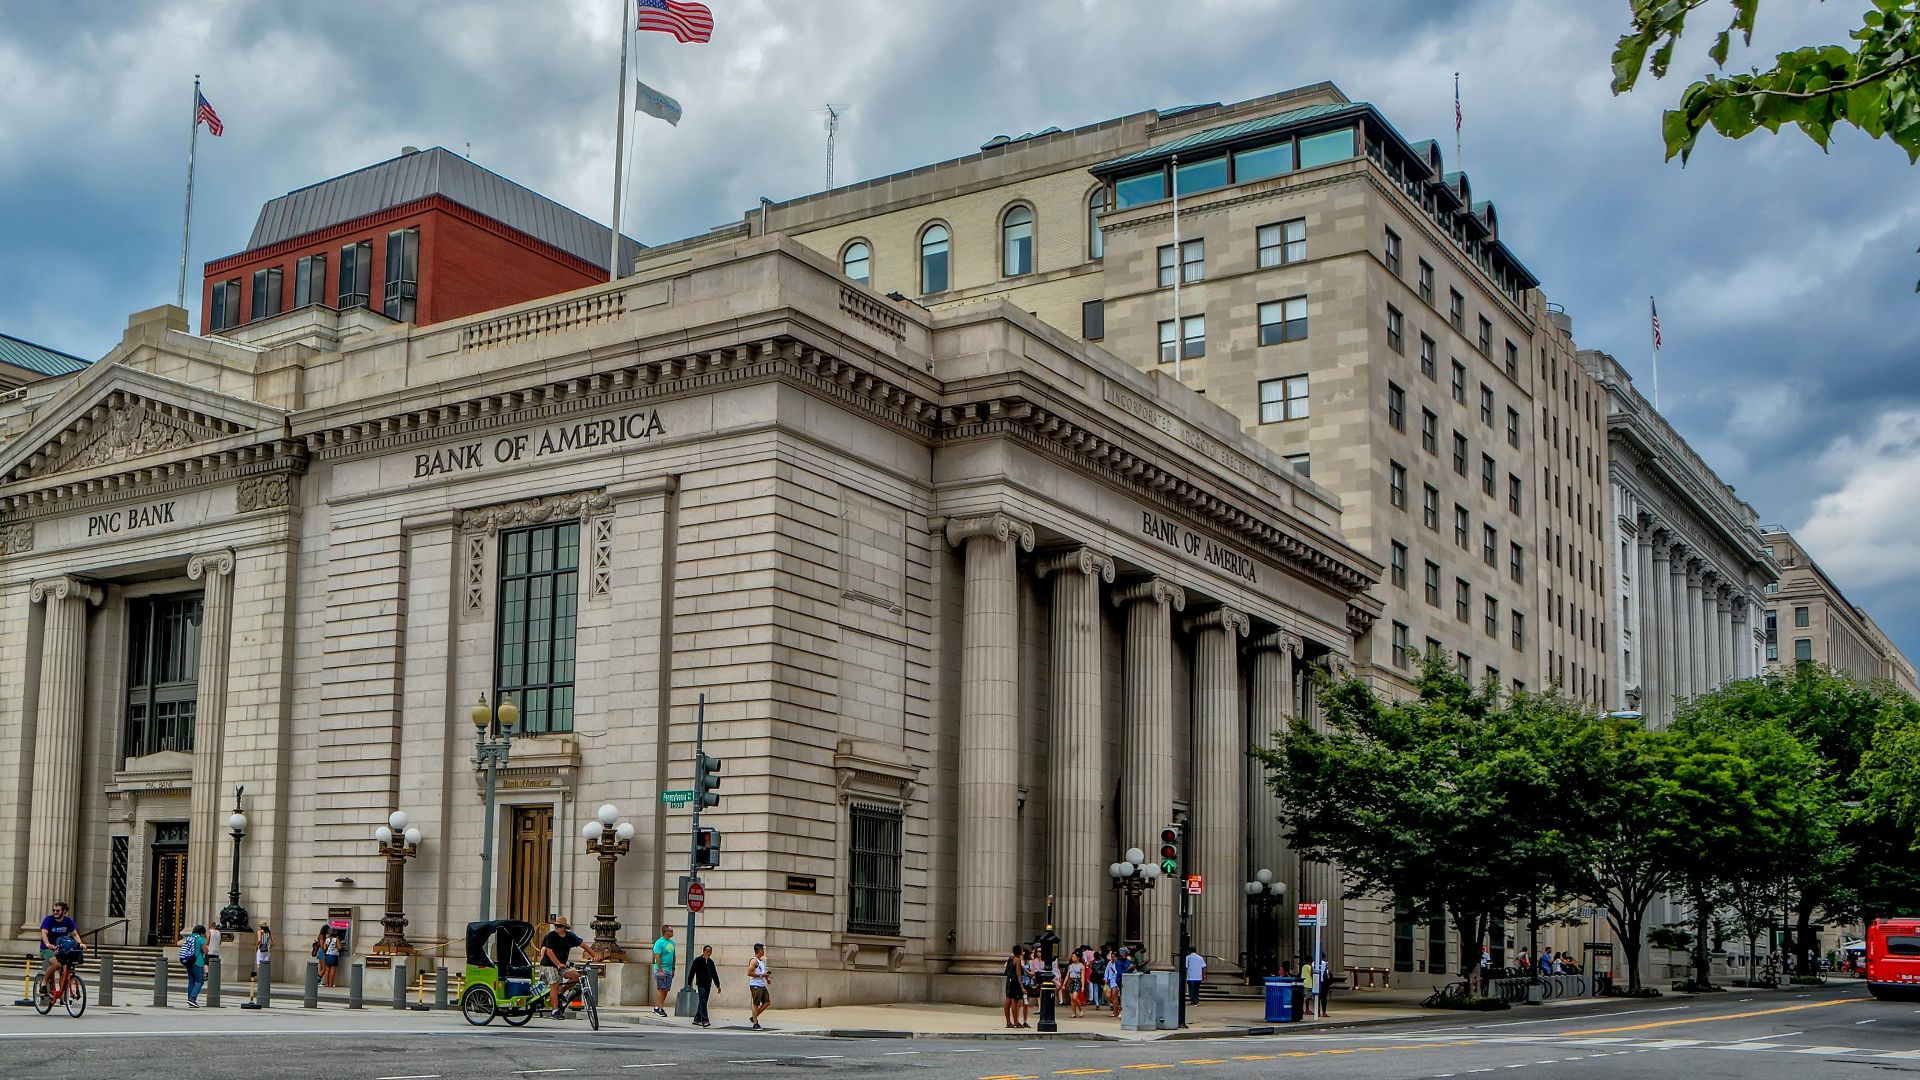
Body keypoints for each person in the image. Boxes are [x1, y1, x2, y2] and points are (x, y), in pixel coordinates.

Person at [539, 916, 599, 1020]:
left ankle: (561, 991)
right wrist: (558, 964)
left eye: (559, 926)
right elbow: (549, 952)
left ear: (564, 927)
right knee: (554, 984)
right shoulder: (551, 936)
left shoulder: (570, 936)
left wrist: (594, 955)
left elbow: (583, 945)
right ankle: (555, 1010)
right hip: (549, 964)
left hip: (562, 964)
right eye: (556, 926)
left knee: (577, 976)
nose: (557, 928)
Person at [38, 901, 79, 1004]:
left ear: (64, 911)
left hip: (61, 949)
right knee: (56, 964)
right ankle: (44, 983)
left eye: (58, 910)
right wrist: (47, 944)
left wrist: (80, 943)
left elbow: (75, 934)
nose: (55, 912)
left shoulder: (68, 921)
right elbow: (44, 933)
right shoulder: (48, 920)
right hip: (47, 949)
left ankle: (62, 995)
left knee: (65, 970)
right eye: (54, 910)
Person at [688, 944, 721, 1027]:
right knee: (703, 1001)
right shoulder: (698, 960)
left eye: (710, 951)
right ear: (704, 951)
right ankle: (705, 1020)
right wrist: (689, 982)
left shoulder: (711, 962)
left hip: (708, 984)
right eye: (707, 951)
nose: (709, 953)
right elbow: (692, 971)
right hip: (701, 984)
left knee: (703, 1002)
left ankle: (696, 1019)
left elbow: (714, 974)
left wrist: (718, 985)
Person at [650, 925, 676, 1017]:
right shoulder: (659, 942)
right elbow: (657, 956)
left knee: (666, 989)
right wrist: (660, 970)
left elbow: (673, 957)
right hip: (660, 969)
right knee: (661, 988)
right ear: (666, 932)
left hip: (669, 969)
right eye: (671, 931)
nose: (673, 932)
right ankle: (660, 1008)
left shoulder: (672, 943)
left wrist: (673, 968)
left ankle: (657, 1006)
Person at [747, 942, 772, 1030]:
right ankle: (755, 1023)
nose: (763, 951)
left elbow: (762, 973)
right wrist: (762, 975)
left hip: (761, 985)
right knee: (756, 1004)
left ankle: (753, 1017)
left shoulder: (761, 962)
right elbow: (749, 973)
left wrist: (767, 978)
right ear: (759, 950)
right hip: (755, 985)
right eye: (762, 949)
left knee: (767, 1002)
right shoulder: (754, 961)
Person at [183, 924, 209, 1007]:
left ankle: (190, 999)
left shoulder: (189, 938)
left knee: (191, 981)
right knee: (200, 981)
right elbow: (205, 951)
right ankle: (192, 998)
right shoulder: (200, 939)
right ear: (201, 933)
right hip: (197, 961)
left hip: (189, 961)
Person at [1003, 945, 1025, 1029]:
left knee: (1007, 1001)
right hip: (1015, 982)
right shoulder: (1017, 960)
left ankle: (1008, 1022)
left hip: (1009, 980)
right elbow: (1018, 975)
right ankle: (1016, 1022)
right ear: (1019, 952)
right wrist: (1022, 987)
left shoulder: (1010, 958)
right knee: (1015, 1002)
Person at [1065, 951, 1086, 1019]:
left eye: (1074, 956)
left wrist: (1082, 986)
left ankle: (1080, 1009)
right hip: (1071, 981)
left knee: (1075, 997)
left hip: (1077, 981)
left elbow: (1082, 976)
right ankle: (1073, 1013)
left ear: (1078, 957)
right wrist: (1064, 984)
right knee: (1072, 999)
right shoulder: (1070, 966)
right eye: (1072, 956)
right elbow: (1067, 975)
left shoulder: (1081, 966)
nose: (1072, 958)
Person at [1311, 952, 1330, 1019]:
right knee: (1324, 998)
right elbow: (1327, 973)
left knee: (1317, 997)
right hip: (1323, 982)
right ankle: (1324, 1012)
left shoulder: (1313, 963)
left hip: (1316, 982)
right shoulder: (1325, 963)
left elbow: (1311, 973)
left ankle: (1317, 1012)